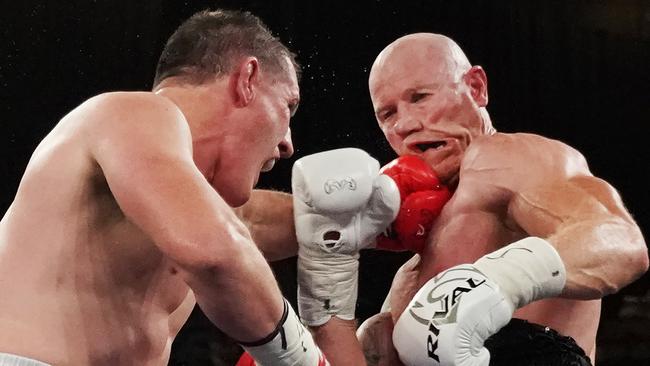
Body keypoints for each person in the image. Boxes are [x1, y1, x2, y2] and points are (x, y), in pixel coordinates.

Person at [236, 32, 648, 366]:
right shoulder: (409, 230)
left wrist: (497, 282)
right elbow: (244, 223)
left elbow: (618, 239)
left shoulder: (505, 160)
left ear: (476, 87)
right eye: (388, 114)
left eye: (420, 97)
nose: (407, 124)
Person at [0, 9, 330, 366]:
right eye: (288, 106)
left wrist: (369, 217)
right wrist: (302, 358)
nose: (288, 144)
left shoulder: (177, 203)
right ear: (247, 79)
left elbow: (250, 222)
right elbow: (216, 251)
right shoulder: (134, 112)